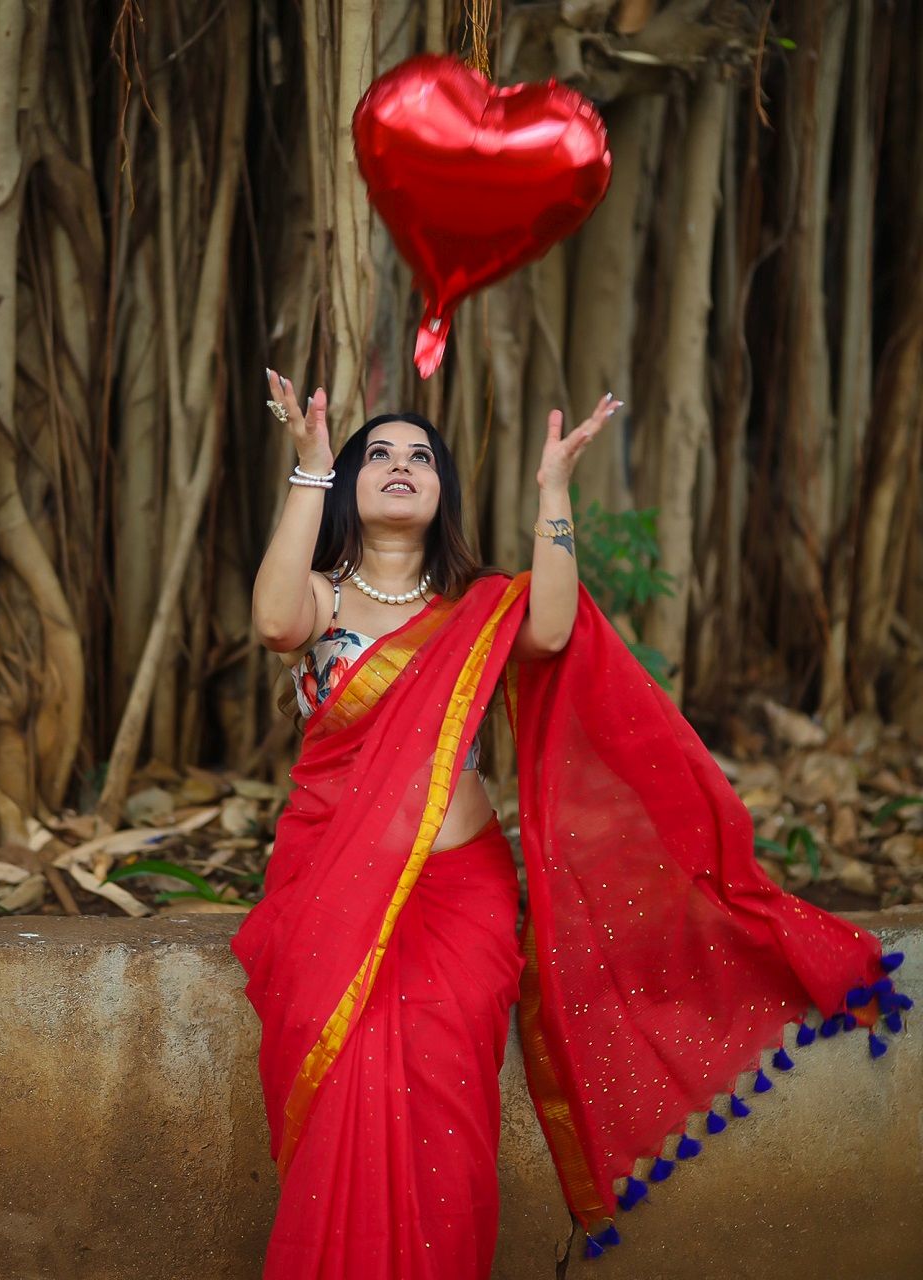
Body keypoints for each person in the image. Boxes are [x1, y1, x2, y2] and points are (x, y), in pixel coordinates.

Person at [230, 376, 909, 1279]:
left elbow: (551, 632)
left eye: (421, 456)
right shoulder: (319, 598)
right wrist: (309, 469)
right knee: (343, 1084)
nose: (401, 466)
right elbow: (274, 620)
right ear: (349, 483)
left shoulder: (475, 609)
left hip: (457, 895)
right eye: (379, 455)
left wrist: (555, 494)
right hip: (333, 888)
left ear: (442, 494)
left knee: (446, 1095)